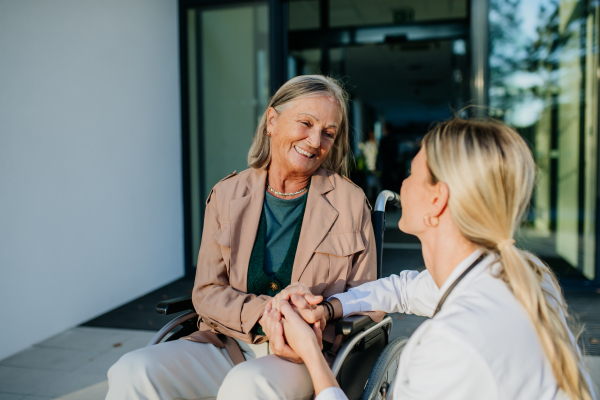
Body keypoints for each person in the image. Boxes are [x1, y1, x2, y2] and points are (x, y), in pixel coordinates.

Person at [264, 117, 596, 400]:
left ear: (437, 200)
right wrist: (328, 307)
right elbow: (404, 290)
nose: (402, 184)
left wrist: (311, 352)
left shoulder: (450, 344)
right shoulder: (520, 275)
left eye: (411, 174)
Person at [105, 75, 377, 400]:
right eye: (305, 123)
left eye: (328, 133)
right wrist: (267, 312)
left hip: (304, 354)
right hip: (227, 342)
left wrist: (320, 313)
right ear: (272, 121)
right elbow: (206, 291)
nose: (315, 140)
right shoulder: (227, 194)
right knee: (131, 371)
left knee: (248, 385)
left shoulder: (349, 201)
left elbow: (369, 300)